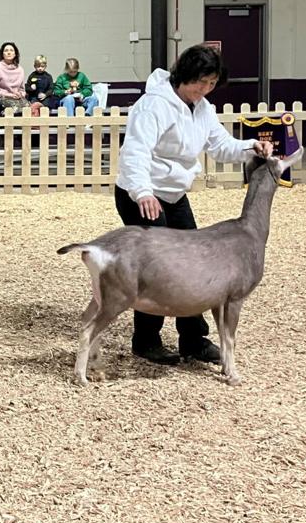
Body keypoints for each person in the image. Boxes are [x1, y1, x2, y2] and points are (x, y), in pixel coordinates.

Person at [116, 43, 273, 366]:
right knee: (158, 266)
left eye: (212, 83)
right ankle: (146, 339)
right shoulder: (153, 105)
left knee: (196, 263)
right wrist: (143, 191)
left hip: (173, 194)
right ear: (183, 76)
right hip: (142, 193)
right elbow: (136, 151)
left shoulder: (202, 108)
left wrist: (250, 147)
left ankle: (193, 338)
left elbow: (220, 144)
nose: (205, 89)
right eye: (200, 82)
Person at [0, 42, 29, 114]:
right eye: (6, 50)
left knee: (27, 107)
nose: (9, 52)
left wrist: (20, 94)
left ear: (15, 54)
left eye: (11, 50)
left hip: (16, 100)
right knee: (12, 107)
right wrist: (9, 95)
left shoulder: (20, 69)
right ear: (2, 54)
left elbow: (22, 89)